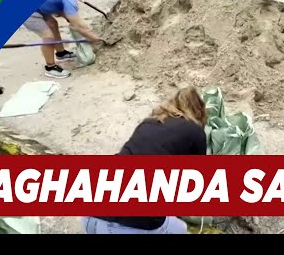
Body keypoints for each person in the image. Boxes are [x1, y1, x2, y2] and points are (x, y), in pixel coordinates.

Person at [82, 86, 208, 234]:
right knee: (180, 229)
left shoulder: (149, 122)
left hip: (90, 215)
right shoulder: (195, 131)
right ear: (199, 112)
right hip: (129, 225)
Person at [22, 0, 101, 79]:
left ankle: (61, 53)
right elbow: (77, 25)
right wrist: (92, 37)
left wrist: (76, 23)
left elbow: (62, 13)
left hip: (40, 6)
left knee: (52, 24)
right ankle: (50, 68)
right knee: (47, 36)